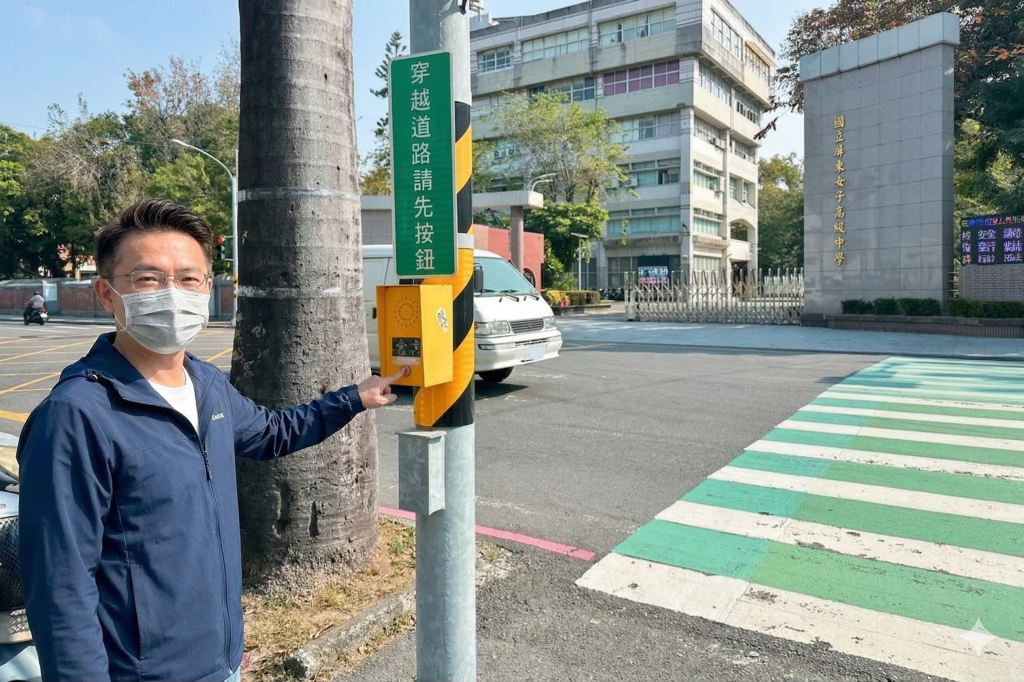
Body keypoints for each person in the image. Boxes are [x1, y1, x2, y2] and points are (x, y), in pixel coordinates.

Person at [16, 198, 407, 682]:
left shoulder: (206, 385)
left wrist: (354, 398)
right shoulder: (75, 416)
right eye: (147, 279)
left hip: (222, 662)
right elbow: (60, 586)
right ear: (105, 293)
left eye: (188, 279)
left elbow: (271, 433)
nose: (171, 293)